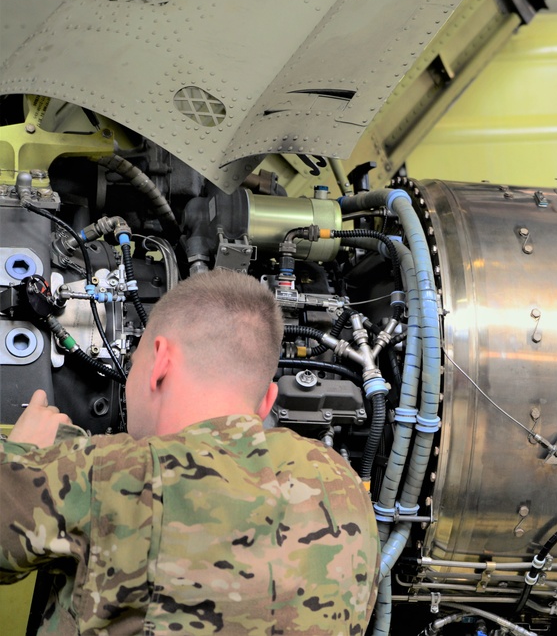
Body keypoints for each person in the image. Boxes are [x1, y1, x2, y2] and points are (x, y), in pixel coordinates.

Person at [1, 269, 378, 635]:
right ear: (267, 402)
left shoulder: (115, 474)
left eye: (134, 364)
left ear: (161, 361)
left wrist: (22, 457)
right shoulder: (345, 489)